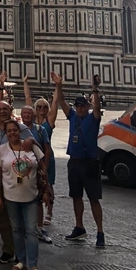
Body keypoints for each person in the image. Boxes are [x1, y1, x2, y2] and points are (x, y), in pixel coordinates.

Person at [51, 71, 105, 247]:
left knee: (93, 198)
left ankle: (100, 231)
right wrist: (59, 85)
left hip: (89, 163)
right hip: (74, 162)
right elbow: (61, 102)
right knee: (76, 196)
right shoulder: (73, 116)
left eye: (82, 105)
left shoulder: (93, 118)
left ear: (87, 106)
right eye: (78, 106)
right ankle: (79, 227)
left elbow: (97, 107)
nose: (80, 108)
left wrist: (95, 89)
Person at [0, 119, 47, 270]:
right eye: (9, 131)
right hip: (10, 196)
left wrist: (46, 189)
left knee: (31, 230)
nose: (12, 133)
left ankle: (33, 265)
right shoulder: (1, 151)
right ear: (5, 134)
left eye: (14, 130)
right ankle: (21, 260)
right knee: (16, 229)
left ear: (20, 131)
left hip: (30, 196)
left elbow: (43, 168)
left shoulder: (31, 147)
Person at [0, 100, 34, 264]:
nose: (2, 112)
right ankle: (8, 249)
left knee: (17, 218)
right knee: (1, 215)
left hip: (15, 178)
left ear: (10, 110)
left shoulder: (20, 127)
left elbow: (32, 140)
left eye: (5, 109)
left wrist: (30, 141)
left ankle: (21, 250)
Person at [23, 75, 58, 225]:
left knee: (48, 184)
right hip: (33, 157)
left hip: (47, 156)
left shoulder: (49, 121)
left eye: (44, 106)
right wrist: (25, 83)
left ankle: (49, 211)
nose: (42, 109)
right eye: (39, 107)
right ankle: (35, 212)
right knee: (35, 184)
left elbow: (56, 101)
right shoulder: (33, 120)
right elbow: (28, 98)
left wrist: (58, 86)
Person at [20, 104, 53, 244]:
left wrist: (44, 168)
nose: (27, 115)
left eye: (29, 113)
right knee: (21, 198)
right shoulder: (18, 129)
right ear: (21, 116)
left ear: (33, 115)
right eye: (24, 113)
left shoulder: (40, 130)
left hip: (37, 169)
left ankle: (39, 228)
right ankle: (23, 228)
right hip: (21, 170)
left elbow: (47, 149)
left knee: (38, 199)